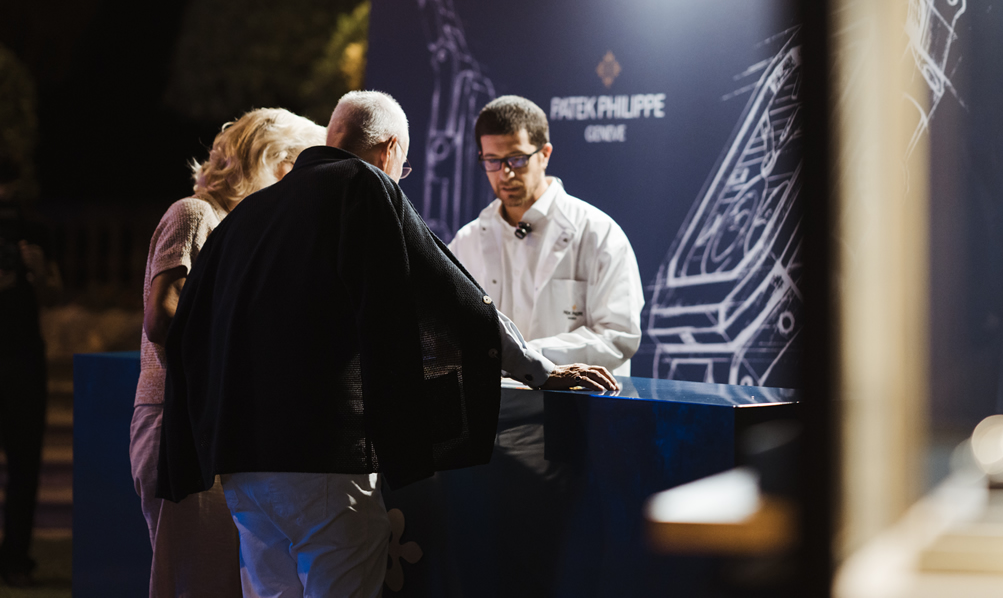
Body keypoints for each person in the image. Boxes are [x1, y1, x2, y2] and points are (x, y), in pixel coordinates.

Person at [157, 90, 616, 598]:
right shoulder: (364, 185)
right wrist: (539, 369)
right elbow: (450, 294)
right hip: (324, 458)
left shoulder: (248, 212)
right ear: (390, 148)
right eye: (404, 164)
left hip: (240, 463)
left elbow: (187, 329)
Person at [131, 108, 326, 598]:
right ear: (277, 162)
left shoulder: (248, 228)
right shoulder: (197, 213)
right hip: (180, 424)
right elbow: (163, 317)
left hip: (214, 424)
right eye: (304, 165)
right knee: (194, 578)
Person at [450, 95, 644, 376]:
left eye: (517, 159)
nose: (505, 174)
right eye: (492, 160)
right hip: (496, 409)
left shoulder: (598, 233)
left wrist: (524, 356)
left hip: (576, 408)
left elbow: (618, 336)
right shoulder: (466, 241)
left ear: (544, 155)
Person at [0, 154, 62, 587]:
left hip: (23, 354)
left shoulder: (32, 229)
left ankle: (16, 558)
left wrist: (37, 271)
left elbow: (54, 295)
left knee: (25, 461)